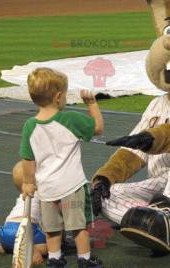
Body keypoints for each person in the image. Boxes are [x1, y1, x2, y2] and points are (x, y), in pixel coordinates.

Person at [19, 67, 104, 268]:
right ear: (58, 97)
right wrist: (91, 104)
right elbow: (98, 128)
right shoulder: (70, 119)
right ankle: (84, 260)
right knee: (78, 226)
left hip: (47, 190)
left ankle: (55, 259)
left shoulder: (29, 126)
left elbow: (27, 159)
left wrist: (28, 183)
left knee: (52, 229)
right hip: (72, 186)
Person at [0, 162, 47, 265]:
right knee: (50, 245)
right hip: (28, 229)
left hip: (6, 230)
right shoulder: (43, 196)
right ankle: (32, 250)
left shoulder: (21, 197)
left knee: (8, 242)